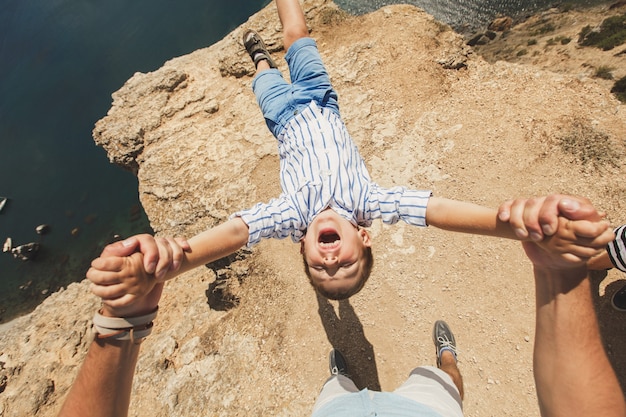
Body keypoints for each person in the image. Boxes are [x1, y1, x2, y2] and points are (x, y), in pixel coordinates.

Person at [86, 0, 607, 306]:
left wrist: (175, 263)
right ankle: (273, 44)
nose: (331, 261)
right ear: (363, 237)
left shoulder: (290, 217)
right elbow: (439, 213)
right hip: (320, 100)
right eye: (346, 265)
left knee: (265, 76)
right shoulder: (367, 203)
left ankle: (258, 58)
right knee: (299, 34)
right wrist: (507, 223)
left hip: (282, 118)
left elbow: (233, 234)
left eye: (321, 269)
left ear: (303, 251)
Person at [57, 194, 624, 417]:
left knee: (337, 388)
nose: (328, 259)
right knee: (439, 379)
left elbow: (240, 230)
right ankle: (445, 360)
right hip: (428, 413)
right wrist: (561, 275)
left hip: (335, 415)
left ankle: (344, 380)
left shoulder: (319, 217)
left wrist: (122, 321)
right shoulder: (357, 207)